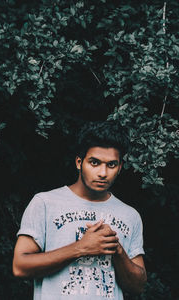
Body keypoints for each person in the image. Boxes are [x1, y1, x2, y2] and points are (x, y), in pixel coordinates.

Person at [13, 121, 147, 300]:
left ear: (120, 167)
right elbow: (20, 267)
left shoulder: (130, 215)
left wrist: (117, 249)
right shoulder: (45, 203)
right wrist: (81, 248)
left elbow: (138, 286)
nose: (102, 173)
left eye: (111, 165)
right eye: (94, 162)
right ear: (79, 162)